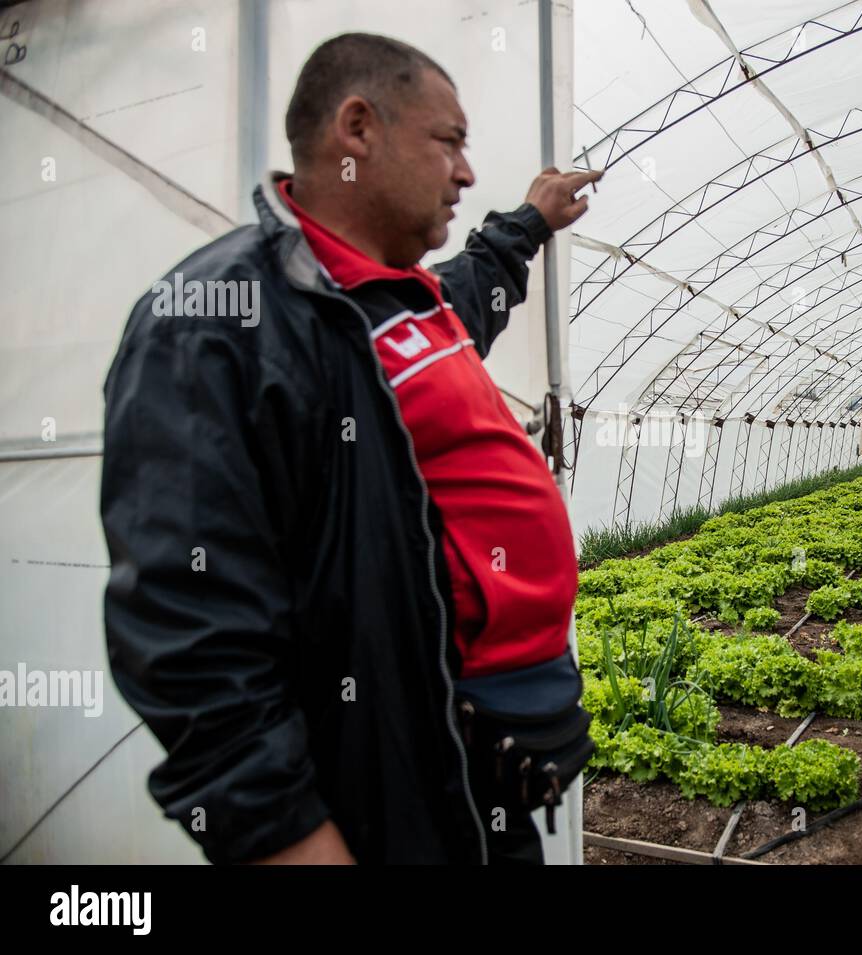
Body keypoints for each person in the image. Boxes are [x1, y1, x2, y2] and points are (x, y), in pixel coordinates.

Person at [100, 32, 602, 864]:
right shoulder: (218, 318)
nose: (467, 172)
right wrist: (283, 833)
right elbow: (187, 615)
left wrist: (532, 219)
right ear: (358, 129)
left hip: (494, 771)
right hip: (402, 777)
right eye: (450, 141)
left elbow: (472, 289)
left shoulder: (400, 298)